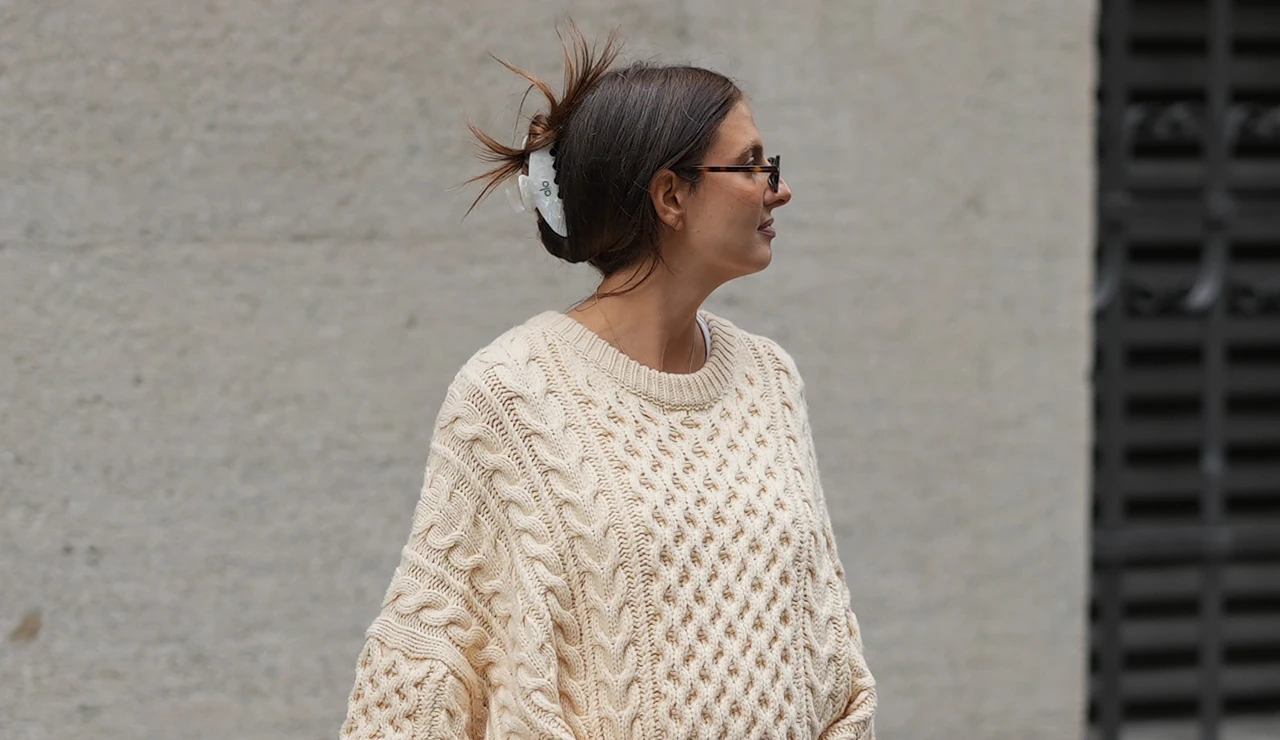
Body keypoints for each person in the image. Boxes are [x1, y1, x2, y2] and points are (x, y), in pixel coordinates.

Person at [338, 24, 876, 740]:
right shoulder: (511, 394)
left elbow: (832, 657)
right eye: (751, 166)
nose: (779, 189)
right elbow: (423, 671)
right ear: (670, 197)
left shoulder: (770, 380)